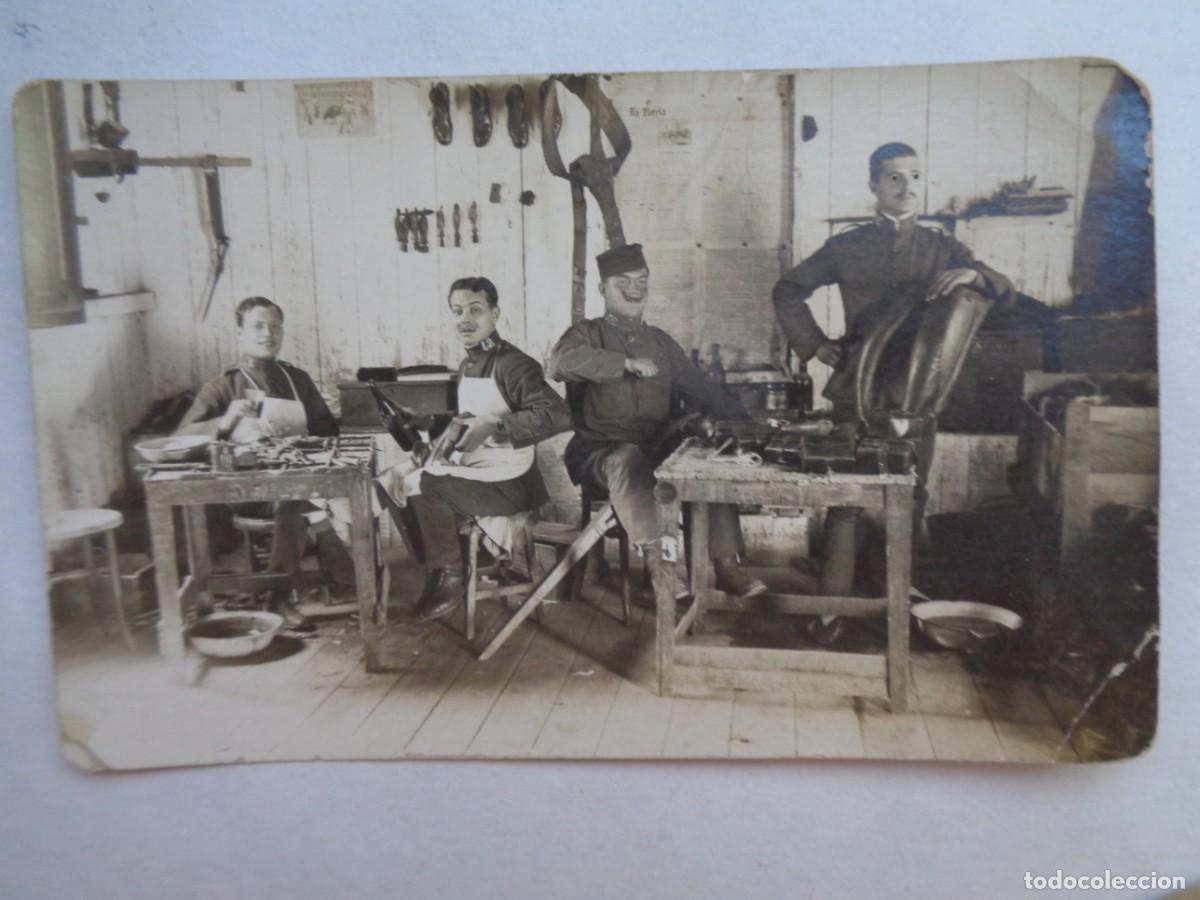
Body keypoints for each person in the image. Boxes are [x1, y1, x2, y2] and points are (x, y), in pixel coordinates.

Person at [772, 142, 1015, 635]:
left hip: (920, 395)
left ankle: (896, 607)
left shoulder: (943, 248)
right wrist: (816, 345)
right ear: (874, 186)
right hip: (856, 389)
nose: (906, 187)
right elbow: (787, 291)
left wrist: (975, 273)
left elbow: (1003, 290)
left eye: (914, 177)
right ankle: (831, 610)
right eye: (894, 178)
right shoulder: (846, 246)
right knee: (848, 496)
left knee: (911, 495)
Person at [547, 242, 767, 602]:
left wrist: (752, 426)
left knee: (705, 461)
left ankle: (727, 566)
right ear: (603, 289)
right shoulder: (586, 334)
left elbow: (703, 389)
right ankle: (659, 571)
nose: (635, 290)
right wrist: (623, 364)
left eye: (642, 282)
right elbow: (558, 363)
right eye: (624, 283)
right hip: (599, 452)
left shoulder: (660, 343)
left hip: (655, 449)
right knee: (627, 460)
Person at [378, 276, 572, 622]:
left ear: (495, 314)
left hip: (511, 481)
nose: (464, 319)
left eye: (475, 310)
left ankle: (451, 577)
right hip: (479, 468)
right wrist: (426, 422)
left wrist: (496, 426)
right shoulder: (469, 363)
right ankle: (439, 565)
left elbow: (557, 414)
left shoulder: (514, 364)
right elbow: (467, 418)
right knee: (393, 478)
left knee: (428, 484)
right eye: (457, 311)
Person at [175, 296, 355, 631]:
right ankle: (289, 592)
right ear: (240, 333)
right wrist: (225, 422)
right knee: (299, 501)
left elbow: (327, 430)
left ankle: (289, 590)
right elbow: (182, 435)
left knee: (298, 496)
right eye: (258, 326)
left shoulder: (296, 380)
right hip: (248, 491)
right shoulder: (223, 386)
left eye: (275, 326)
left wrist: (321, 421)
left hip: (299, 482)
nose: (267, 333)